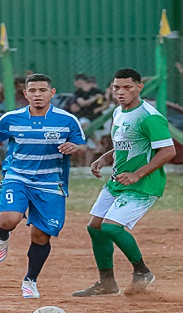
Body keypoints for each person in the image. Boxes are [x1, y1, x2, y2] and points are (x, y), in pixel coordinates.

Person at [0, 73, 87, 299]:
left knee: (40, 236)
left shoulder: (67, 120)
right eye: (32, 91)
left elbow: (81, 145)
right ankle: (2, 236)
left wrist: (75, 148)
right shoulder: (12, 118)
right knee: (7, 220)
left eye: (42, 90)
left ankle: (30, 280)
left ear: (52, 93)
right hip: (18, 177)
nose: (37, 95)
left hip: (51, 183)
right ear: (25, 94)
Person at [72, 68, 176, 297]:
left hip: (143, 184)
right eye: (116, 87)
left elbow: (168, 151)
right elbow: (126, 144)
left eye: (127, 87)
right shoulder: (118, 112)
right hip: (118, 180)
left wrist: (137, 174)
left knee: (110, 226)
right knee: (95, 227)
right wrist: (104, 157)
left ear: (139, 87)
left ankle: (142, 271)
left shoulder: (149, 116)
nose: (121, 92)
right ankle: (107, 284)